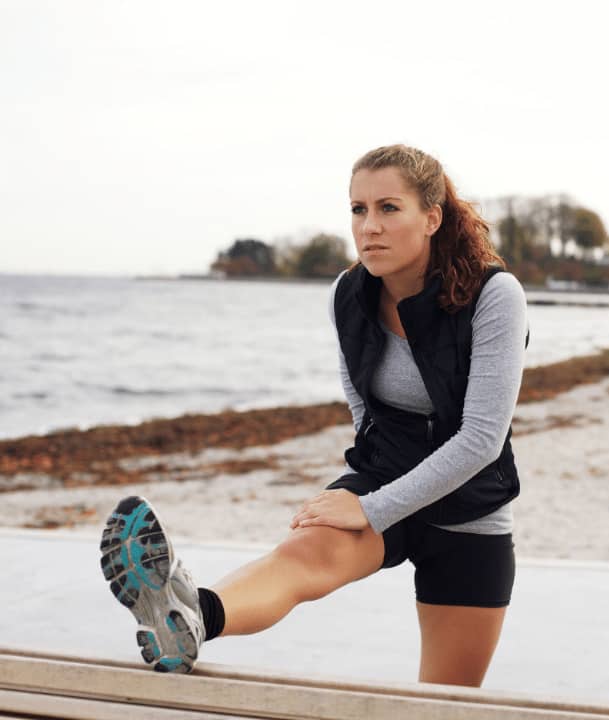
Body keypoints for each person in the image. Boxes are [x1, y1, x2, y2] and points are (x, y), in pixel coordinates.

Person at [99, 144, 529, 687]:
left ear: (432, 217)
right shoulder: (348, 296)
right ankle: (191, 617)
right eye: (358, 209)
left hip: (469, 511)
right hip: (381, 483)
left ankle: (191, 612)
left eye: (389, 208)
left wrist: (372, 508)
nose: (369, 226)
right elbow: (363, 408)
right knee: (299, 558)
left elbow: (482, 440)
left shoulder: (495, 295)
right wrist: (364, 495)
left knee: (445, 701)